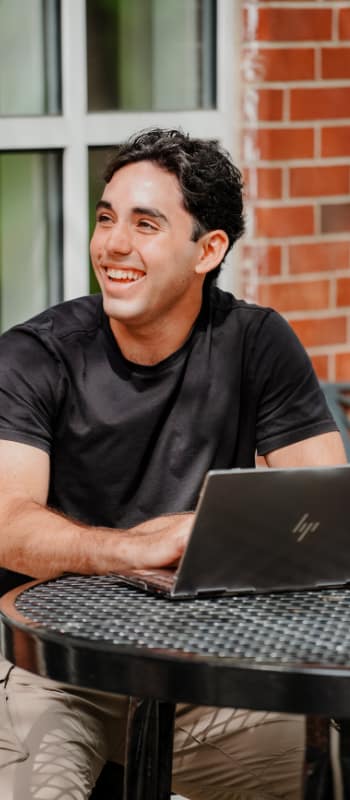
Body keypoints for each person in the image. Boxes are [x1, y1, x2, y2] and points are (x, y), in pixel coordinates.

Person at [0, 127, 345, 800]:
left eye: (146, 223)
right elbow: (7, 524)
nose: (113, 245)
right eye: (107, 219)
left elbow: (326, 515)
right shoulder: (36, 354)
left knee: (324, 768)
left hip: (206, 668)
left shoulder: (256, 343)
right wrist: (134, 548)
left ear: (207, 250)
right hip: (56, 670)